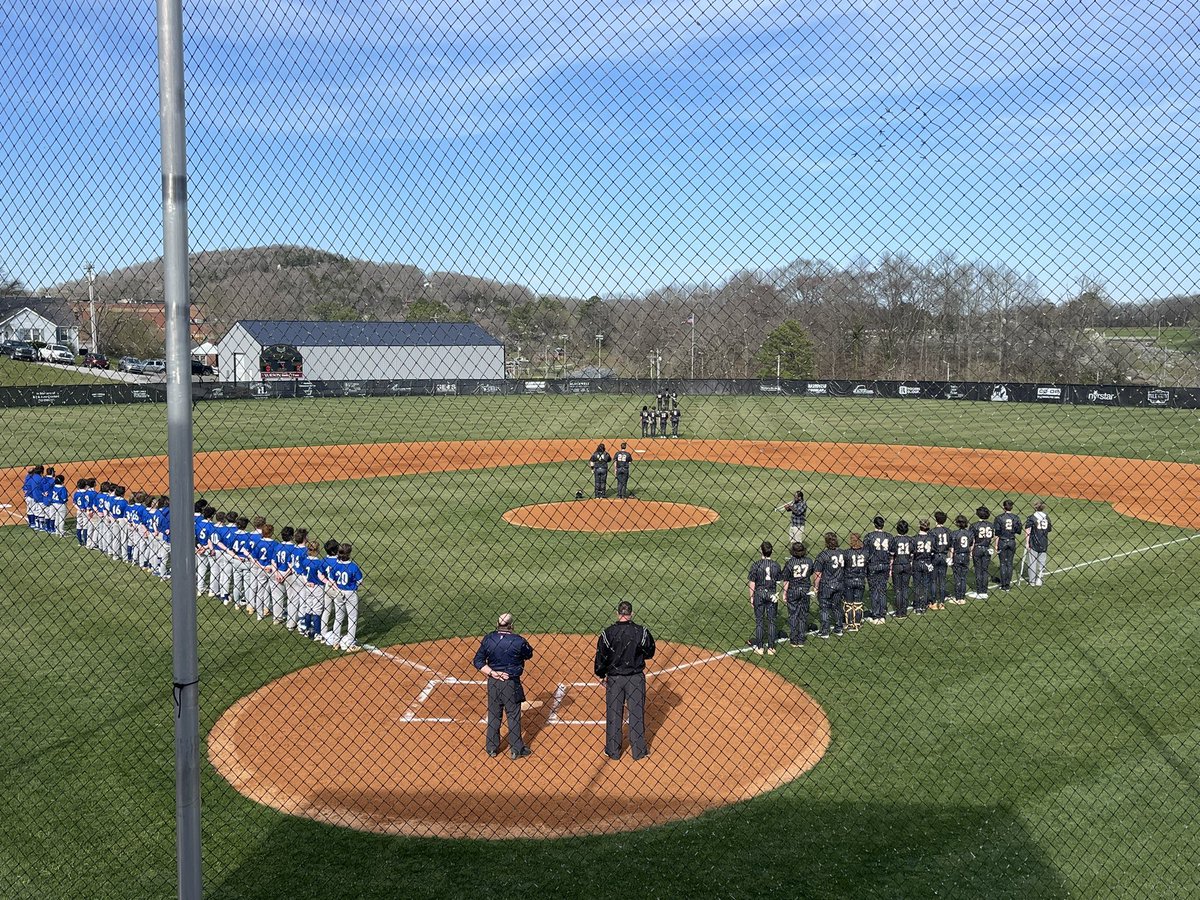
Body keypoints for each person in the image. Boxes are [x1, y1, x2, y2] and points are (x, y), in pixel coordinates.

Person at [595, 600, 656, 760]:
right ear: (631, 614)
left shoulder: (608, 633)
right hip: (635, 678)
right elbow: (650, 651)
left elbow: (601, 656)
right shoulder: (641, 631)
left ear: (617, 613)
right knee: (636, 713)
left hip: (614, 679)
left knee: (614, 713)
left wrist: (602, 675)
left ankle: (613, 751)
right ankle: (639, 751)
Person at [473, 612, 534, 759]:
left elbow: (478, 661)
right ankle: (516, 750)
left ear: (497, 624)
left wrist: (493, 673)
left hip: (493, 682)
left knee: (494, 714)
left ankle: (491, 748)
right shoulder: (518, 641)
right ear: (511, 625)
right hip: (510, 683)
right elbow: (529, 654)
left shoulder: (489, 639)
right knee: (513, 715)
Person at [323, 542, 364, 651]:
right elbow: (360, 580)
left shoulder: (335, 565)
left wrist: (337, 588)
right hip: (350, 593)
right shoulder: (353, 566)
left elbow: (331, 580)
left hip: (338, 592)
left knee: (338, 617)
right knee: (352, 618)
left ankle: (336, 642)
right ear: (349, 553)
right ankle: (350, 643)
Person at [748, 540, 783, 655]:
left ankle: (759, 647)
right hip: (772, 594)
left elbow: (752, 583)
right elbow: (779, 581)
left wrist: (751, 596)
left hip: (759, 593)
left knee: (759, 621)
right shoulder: (776, 565)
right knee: (772, 621)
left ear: (761, 551)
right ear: (771, 552)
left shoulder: (756, 565)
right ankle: (772, 648)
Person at [781, 542, 814, 646]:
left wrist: (784, 593)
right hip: (805, 590)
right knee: (803, 614)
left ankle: (794, 639)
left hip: (793, 590)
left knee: (793, 614)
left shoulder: (790, 563)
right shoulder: (809, 561)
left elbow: (786, 579)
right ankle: (801, 639)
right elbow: (811, 573)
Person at [812, 532, 845, 637]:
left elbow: (818, 574)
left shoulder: (823, 555)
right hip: (839, 584)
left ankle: (825, 631)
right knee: (837, 606)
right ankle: (839, 628)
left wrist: (815, 586)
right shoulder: (842, 553)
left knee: (824, 607)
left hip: (827, 585)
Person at [864, 516, 893, 622]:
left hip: (873, 565)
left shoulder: (869, 537)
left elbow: (865, 553)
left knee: (874, 590)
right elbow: (892, 553)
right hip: (885, 565)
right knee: (882, 589)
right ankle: (883, 612)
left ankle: (876, 615)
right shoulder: (889, 536)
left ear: (874, 524)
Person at [993, 500, 1023, 591]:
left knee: (1002, 563)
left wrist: (996, 545)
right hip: (1012, 541)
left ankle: (1003, 585)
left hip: (1002, 541)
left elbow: (997, 533)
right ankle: (1007, 585)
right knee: (1009, 563)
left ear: (1003, 507)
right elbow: (1019, 531)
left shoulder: (999, 518)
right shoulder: (1016, 517)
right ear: (1012, 507)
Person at [968, 506, 995, 599]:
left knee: (978, 570)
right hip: (987, 548)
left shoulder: (974, 525)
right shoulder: (991, 525)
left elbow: (971, 540)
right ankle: (984, 591)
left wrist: (970, 551)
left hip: (978, 548)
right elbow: (992, 537)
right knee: (985, 570)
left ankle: (979, 591)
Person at [1025, 501, 1052, 586]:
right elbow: (1049, 529)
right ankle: (1039, 579)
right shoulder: (1046, 517)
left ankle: (1032, 581)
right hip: (1044, 542)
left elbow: (1028, 531)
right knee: (1042, 562)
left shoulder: (1032, 517)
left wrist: (1027, 543)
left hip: (1033, 543)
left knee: (1032, 562)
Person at [891, 519, 914, 618]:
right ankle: (904, 611)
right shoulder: (911, 540)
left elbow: (892, 555)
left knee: (898, 589)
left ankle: (898, 611)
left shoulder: (894, 540)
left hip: (897, 565)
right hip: (907, 564)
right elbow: (912, 554)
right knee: (905, 588)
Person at [930, 511, 951, 606]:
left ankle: (934, 601)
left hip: (934, 556)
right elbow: (951, 545)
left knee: (933, 580)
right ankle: (942, 602)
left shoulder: (932, 531)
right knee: (942, 580)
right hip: (944, 555)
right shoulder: (948, 531)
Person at [949, 514, 971, 605]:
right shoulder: (969, 533)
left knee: (957, 577)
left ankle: (958, 598)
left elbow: (952, 548)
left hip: (957, 556)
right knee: (963, 577)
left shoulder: (954, 533)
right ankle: (962, 597)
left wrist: (950, 558)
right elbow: (971, 545)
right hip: (966, 555)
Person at [913, 520, 934, 613]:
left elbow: (912, 552)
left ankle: (917, 606)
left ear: (919, 526)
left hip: (917, 562)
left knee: (917, 585)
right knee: (925, 584)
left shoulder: (915, 538)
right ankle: (924, 604)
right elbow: (933, 551)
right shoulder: (931, 538)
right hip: (927, 562)